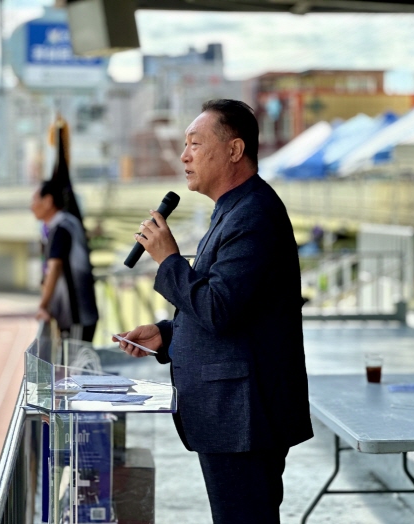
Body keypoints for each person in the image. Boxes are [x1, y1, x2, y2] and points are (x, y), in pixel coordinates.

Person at [113, 99, 313, 523]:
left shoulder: (254, 214)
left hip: (245, 415)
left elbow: (218, 308)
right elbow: (234, 306)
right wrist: (167, 335)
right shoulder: (234, 208)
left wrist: (169, 260)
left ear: (234, 150)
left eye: (195, 144)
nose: (184, 156)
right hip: (233, 413)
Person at [31, 180, 99, 343]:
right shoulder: (69, 222)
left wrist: (43, 305)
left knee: (73, 358)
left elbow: (54, 267)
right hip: (81, 314)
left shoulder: (61, 227)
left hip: (77, 317)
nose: (31, 206)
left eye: (34, 200)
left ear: (48, 201)